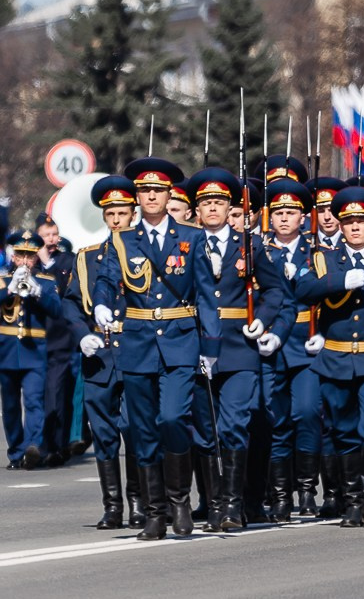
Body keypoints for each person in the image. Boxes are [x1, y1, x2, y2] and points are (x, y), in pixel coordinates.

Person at [89, 158, 218, 539]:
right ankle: (155, 512)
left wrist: (210, 345)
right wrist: (101, 302)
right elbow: (108, 279)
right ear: (137, 196)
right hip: (139, 341)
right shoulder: (124, 240)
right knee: (142, 429)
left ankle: (180, 501)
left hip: (180, 340)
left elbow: (206, 294)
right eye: (144, 191)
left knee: (174, 418)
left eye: (158, 191)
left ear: (168, 195)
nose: (151, 197)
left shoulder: (192, 237)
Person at [294, 185, 364, 526]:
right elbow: (303, 291)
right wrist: (339, 282)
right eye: (348, 221)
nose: (355, 227)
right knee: (343, 430)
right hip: (336, 360)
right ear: (340, 225)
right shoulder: (325, 261)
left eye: (362, 221)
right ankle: (352, 500)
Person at [186, 167, 260, 532]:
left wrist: (265, 320)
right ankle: (213, 503)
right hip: (195, 344)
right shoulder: (184, 245)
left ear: (230, 206)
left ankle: (232, 505)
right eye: (206, 203)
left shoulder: (251, 244)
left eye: (219, 202)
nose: (213, 208)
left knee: (234, 424)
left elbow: (276, 291)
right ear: (196, 210)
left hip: (238, 346)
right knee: (204, 430)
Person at [253, 171, 320, 522]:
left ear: (302, 217)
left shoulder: (317, 252)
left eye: (290, 213)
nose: (283, 218)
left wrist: (322, 330)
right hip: (269, 345)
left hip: (305, 343)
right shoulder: (258, 250)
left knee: (307, 414)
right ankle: (280, 495)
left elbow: (332, 299)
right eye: (277, 213)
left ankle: (307, 490)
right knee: (275, 419)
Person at [75, 175, 138, 528]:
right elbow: (71, 305)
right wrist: (82, 335)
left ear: (133, 215)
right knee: (103, 433)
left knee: (135, 429)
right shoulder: (87, 259)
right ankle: (113, 507)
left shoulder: (145, 253)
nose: (116, 219)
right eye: (110, 213)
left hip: (135, 353)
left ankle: (139, 503)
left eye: (122, 213)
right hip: (99, 357)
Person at [0, 233, 64, 470]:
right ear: (13, 256)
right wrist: (10, 289)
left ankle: (33, 447)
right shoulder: (1, 281)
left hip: (34, 350)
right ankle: (16, 451)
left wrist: (37, 292)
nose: (25, 261)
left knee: (34, 401)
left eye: (30, 256)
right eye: (20, 255)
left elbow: (57, 311)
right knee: (10, 405)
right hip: (8, 351)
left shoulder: (47, 282)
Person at [31, 212, 80, 465]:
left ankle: (57, 445)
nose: (52, 239)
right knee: (36, 396)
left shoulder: (67, 261)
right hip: (34, 339)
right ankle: (37, 443)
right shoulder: (28, 262)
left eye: (54, 234)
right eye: (46, 235)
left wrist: (48, 264)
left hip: (60, 339)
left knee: (58, 393)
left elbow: (63, 292)